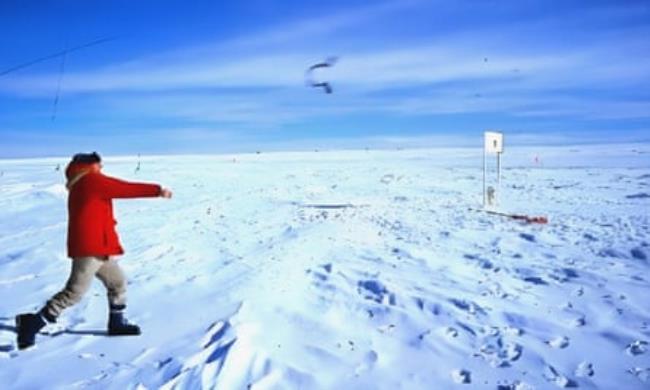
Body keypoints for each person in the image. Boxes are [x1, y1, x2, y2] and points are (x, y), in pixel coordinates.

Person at [15, 152, 172, 350]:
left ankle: (116, 323)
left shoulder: (81, 181)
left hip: (100, 246)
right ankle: (33, 323)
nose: (102, 168)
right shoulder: (91, 180)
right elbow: (123, 188)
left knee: (117, 282)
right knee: (75, 292)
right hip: (90, 247)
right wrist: (157, 190)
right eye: (99, 165)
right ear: (90, 166)